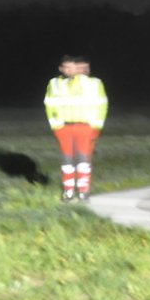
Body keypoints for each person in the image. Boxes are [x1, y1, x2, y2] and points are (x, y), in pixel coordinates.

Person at [44, 56, 108, 202]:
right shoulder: (54, 84)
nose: (71, 70)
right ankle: (68, 191)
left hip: (85, 126)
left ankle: (84, 191)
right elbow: (49, 104)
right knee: (67, 160)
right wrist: (55, 125)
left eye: (73, 67)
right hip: (63, 127)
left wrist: (96, 126)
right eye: (67, 67)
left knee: (83, 159)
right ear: (61, 68)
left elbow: (102, 104)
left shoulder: (93, 83)